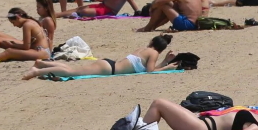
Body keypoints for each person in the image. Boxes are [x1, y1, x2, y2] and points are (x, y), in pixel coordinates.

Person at [21, 34, 177, 79]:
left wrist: (165, 62)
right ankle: (37, 71)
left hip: (109, 64)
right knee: (72, 72)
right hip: (110, 69)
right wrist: (168, 66)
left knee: (74, 69)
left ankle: (42, 65)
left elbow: (149, 67)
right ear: (161, 49)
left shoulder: (143, 49)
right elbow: (151, 71)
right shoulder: (154, 53)